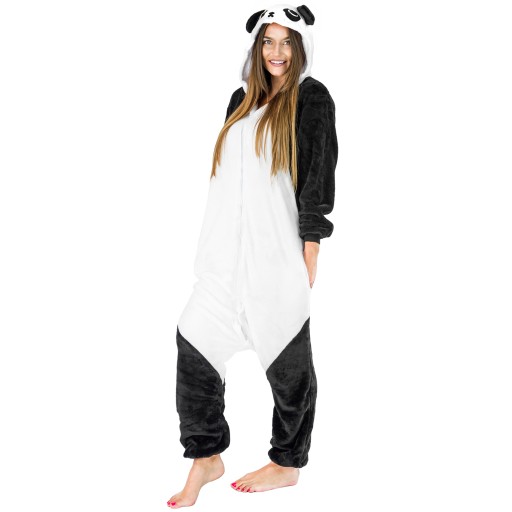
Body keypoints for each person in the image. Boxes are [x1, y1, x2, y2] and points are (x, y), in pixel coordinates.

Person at [167, 3, 338, 508]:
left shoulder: (311, 97)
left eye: (286, 42)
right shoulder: (239, 101)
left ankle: (287, 463)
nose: (276, 52)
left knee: (291, 371)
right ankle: (206, 456)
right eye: (268, 41)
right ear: (257, 46)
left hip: (275, 257)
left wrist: (311, 242)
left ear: (300, 48)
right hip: (222, 260)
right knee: (193, 344)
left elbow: (318, 171)